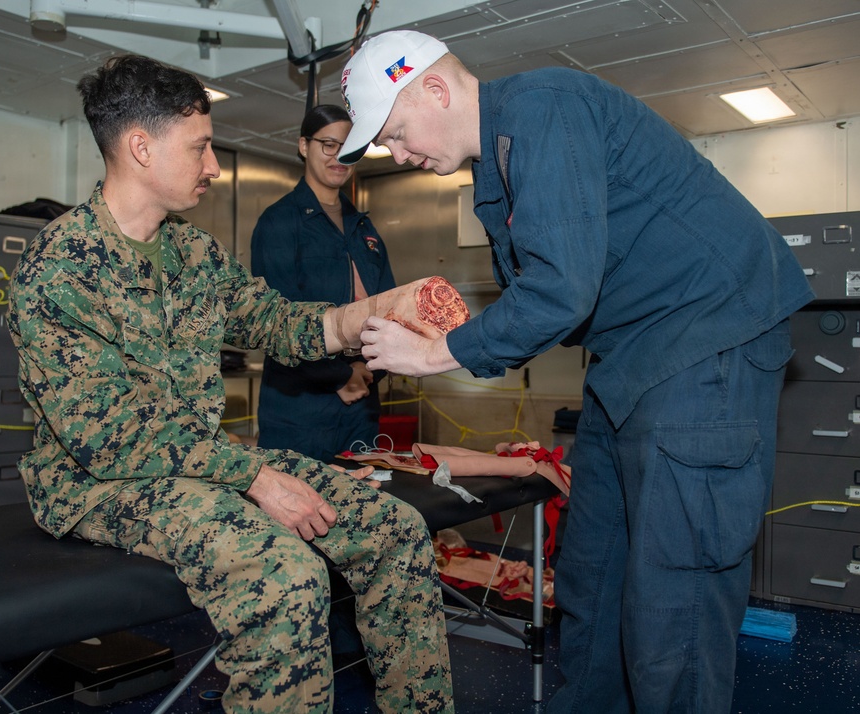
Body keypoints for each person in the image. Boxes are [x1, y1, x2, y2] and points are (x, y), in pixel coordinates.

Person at [336, 30, 814, 714]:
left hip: (705, 342)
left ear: (435, 89)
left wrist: (437, 354)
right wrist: (459, 332)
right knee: (593, 573)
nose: (402, 154)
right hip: (630, 357)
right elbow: (550, 300)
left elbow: (561, 290)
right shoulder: (495, 161)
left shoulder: (543, 107)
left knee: (672, 587)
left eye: (398, 133)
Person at [7, 54, 452, 713]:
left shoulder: (192, 251)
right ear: (139, 147)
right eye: (200, 147)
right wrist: (252, 477)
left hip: (197, 463)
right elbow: (108, 439)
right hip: (96, 483)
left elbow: (269, 321)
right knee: (285, 576)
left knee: (393, 527)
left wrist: (373, 314)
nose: (213, 165)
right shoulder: (61, 265)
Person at [251, 104, 395, 462]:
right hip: (300, 408)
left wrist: (369, 368)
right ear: (304, 146)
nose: (339, 157)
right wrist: (338, 375)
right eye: (328, 145)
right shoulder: (279, 223)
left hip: (361, 401)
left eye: (349, 148)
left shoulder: (365, 229)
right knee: (297, 512)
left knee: (364, 504)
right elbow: (276, 317)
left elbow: (390, 307)